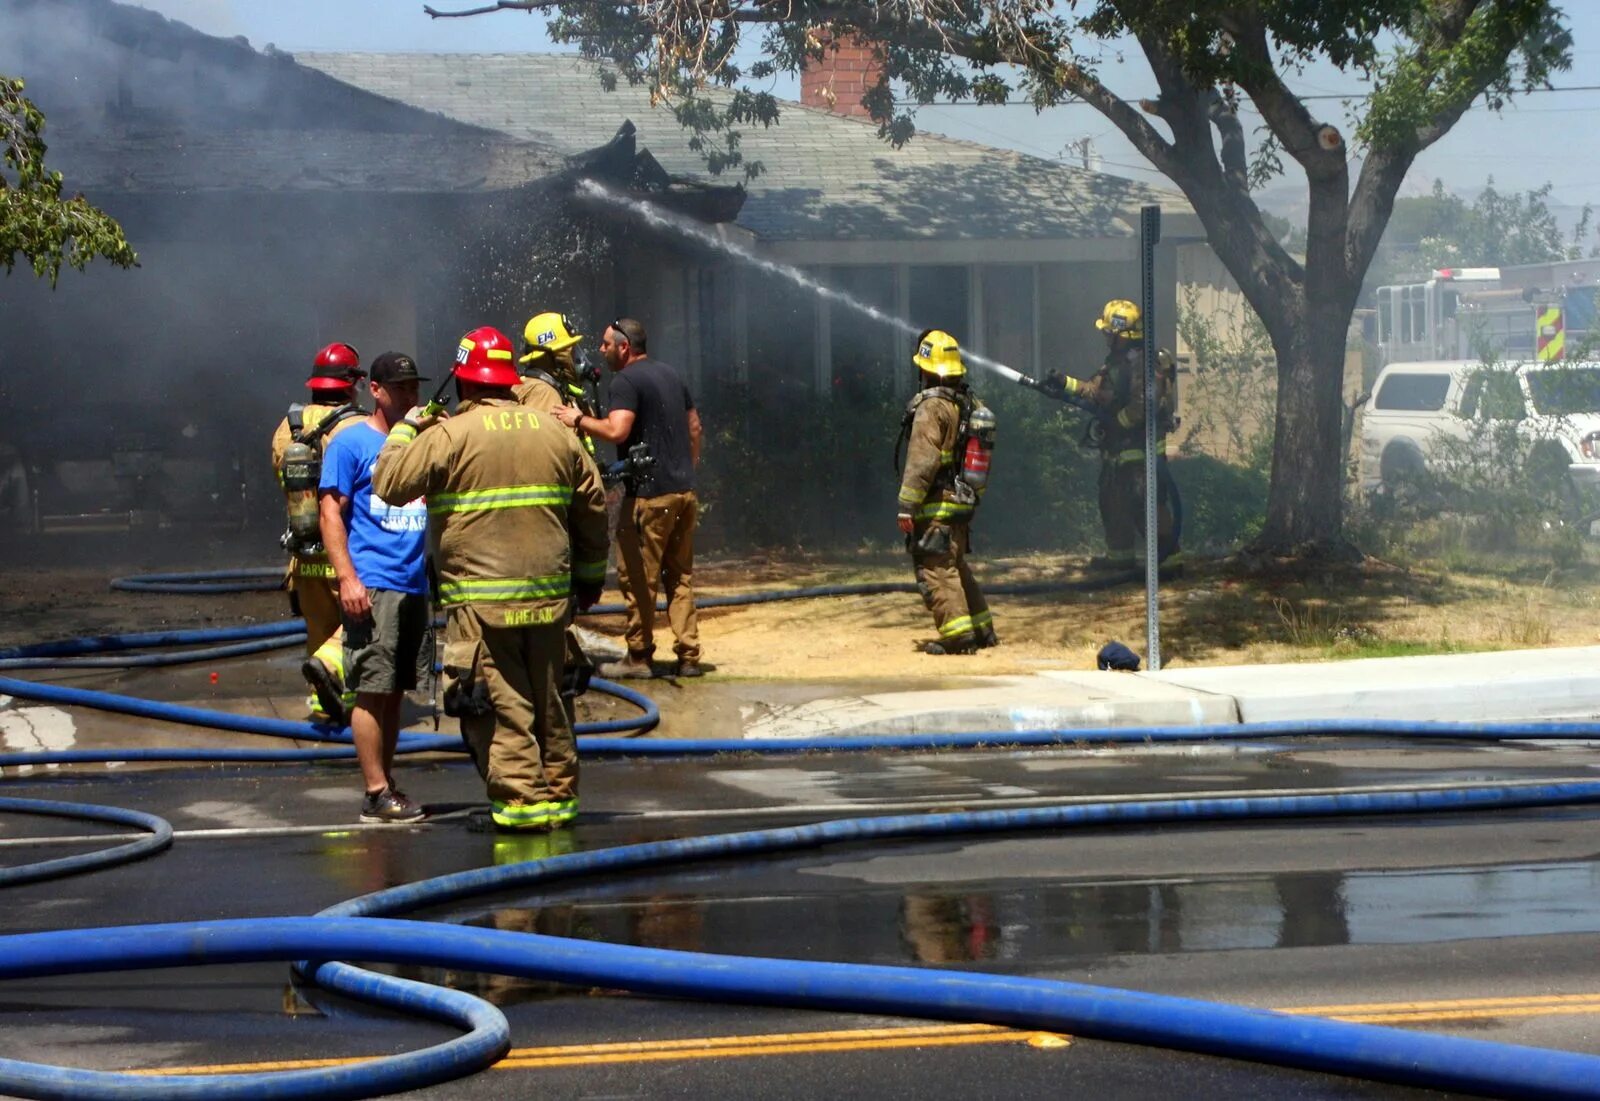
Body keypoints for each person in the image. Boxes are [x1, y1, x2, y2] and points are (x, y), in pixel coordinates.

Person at [373, 326, 608, 833]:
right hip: (550, 600)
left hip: (482, 609)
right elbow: (592, 507)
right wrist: (589, 580)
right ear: (507, 380)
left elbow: (388, 484)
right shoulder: (556, 431)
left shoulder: (450, 435)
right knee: (551, 702)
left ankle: (521, 810)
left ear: (465, 383)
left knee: (500, 709)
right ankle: (561, 801)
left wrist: (406, 429)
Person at [551, 318, 702, 679]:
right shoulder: (670, 374)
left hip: (649, 499)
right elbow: (694, 427)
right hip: (685, 493)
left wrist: (576, 420)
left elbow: (617, 430)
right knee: (680, 577)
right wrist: (685, 469)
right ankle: (689, 656)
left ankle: (638, 657)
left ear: (624, 347)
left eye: (605, 345)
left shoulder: (625, 381)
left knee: (638, 579)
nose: (600, 351)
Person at [318, 352, 433, 824]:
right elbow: (330, 513)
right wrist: (348, 578)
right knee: (369, 687)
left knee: (393, 691)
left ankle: (387, 784)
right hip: (374, 584)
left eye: (414, 387)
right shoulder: (351, 444)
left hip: (412, 583)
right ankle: (374, 791)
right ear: (376, 391)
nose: (410, 396)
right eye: (400, 388)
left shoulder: (419, 440)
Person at [1035, 299, 1182, 575]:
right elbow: (1096, 390)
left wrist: (1117, 423)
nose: (1105, 336)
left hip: (1141, 450)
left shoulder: (1144, 365)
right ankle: (1120, 557)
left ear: (1121, 334)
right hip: (1118, 449)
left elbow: (1143, 405)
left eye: (1108, 332)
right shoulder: (1118, 362)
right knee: (1113, 501)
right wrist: (1063, 383)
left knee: (1145, 504)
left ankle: (1169, 561)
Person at [270, 343, 366, 723]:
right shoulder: (358, 426)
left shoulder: (287, 426)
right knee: (356, 634)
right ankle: (357, 710)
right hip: (345, 554)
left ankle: (321, 706)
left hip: (303, 557)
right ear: (350, 384)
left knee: (320, 634)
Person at [896, 329, 995, 654]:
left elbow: (922, 460)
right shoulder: (967, 403)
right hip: (963, 500)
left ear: (927, 368)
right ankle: (982, 630)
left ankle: (958, 638)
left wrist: (906, 505)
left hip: (936, 503)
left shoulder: (932, 408)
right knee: (954, 565)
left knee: (936, 568)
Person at [516, 311, 601, 456]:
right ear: (552, 357)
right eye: (571, 352)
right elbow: (549, 454)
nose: (579, 359)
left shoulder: (558, 388)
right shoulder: (542, 393)